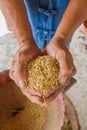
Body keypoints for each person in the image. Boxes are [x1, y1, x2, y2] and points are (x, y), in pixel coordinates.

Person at [0, 0, 87, 106]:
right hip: (28, 9)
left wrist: (61, 38)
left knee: (60, 52)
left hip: (69, 9)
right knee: (34, 30)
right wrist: (25, 41)